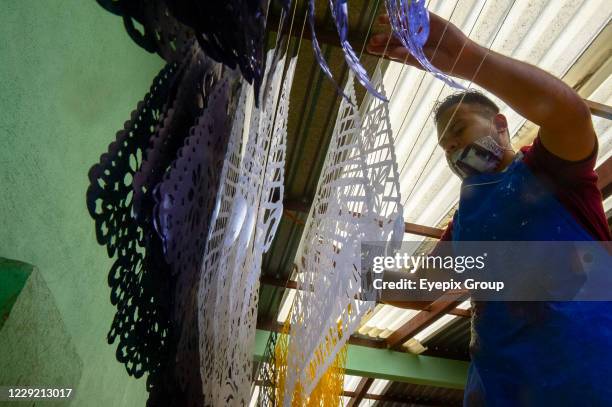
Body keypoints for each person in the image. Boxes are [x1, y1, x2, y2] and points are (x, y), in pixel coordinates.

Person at [366, 12, 612, 406]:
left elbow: (568, 114)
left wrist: (467, 58)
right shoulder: (465, 223)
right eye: (445, 147)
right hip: (500, 391)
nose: (452, 151)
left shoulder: (549, 170)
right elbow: (417, 289)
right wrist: (355, 273)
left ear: (500, 125)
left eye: (458, 132)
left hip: (589, 377)